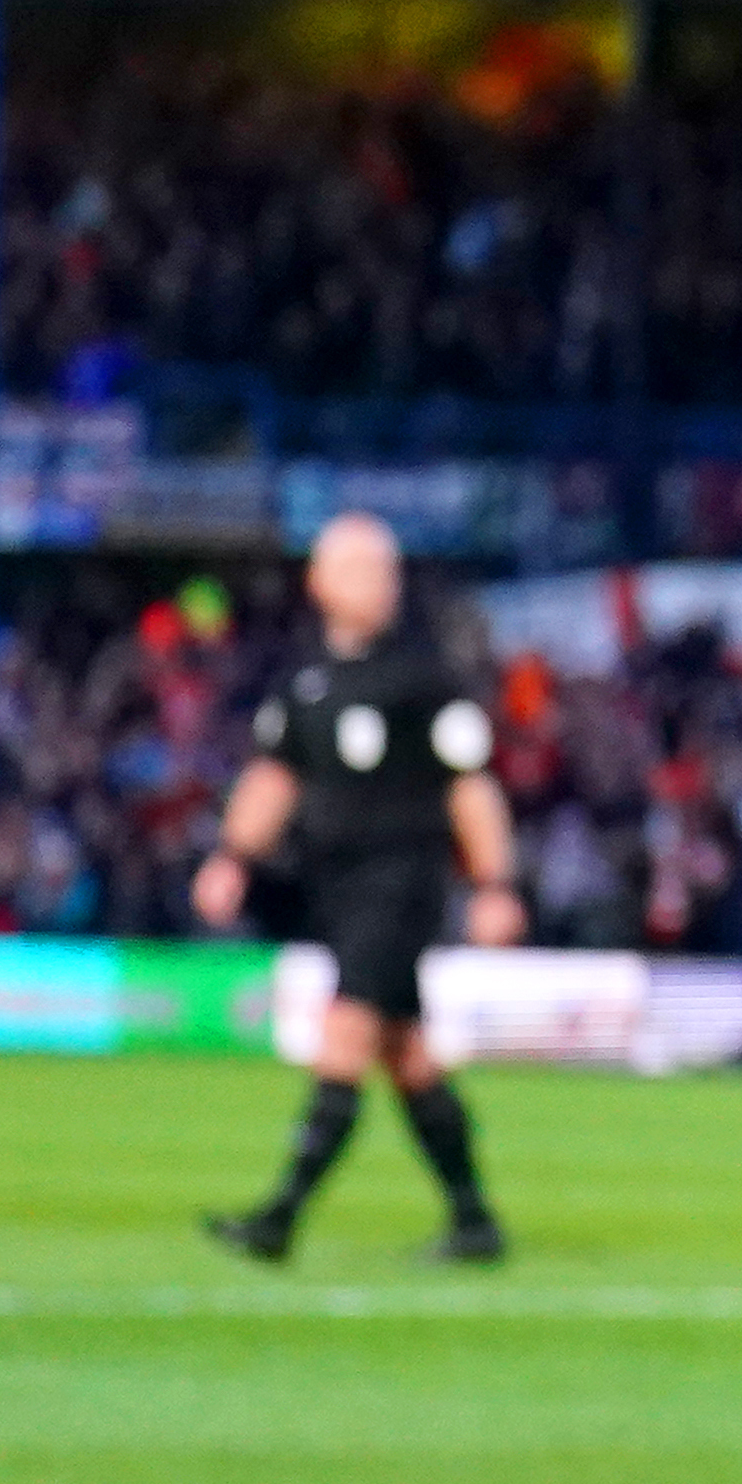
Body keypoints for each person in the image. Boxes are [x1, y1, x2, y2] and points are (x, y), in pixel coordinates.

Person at [191, 512, 518, 1265]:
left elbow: (470, 788)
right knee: (406, 1055)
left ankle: (280, 1217)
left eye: (387, 568)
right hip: (336, 888)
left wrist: (495, 882)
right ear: (321, 581)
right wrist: (232, 857)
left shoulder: (423, 679)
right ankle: (474, 1221)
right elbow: (275, 776)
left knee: (346, 1033)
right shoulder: (307, 683)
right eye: (362, 567)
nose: (381, 582)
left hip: (401, 884)